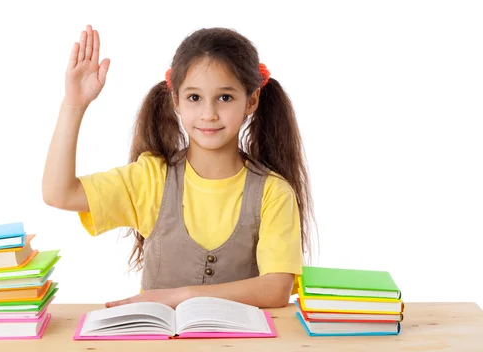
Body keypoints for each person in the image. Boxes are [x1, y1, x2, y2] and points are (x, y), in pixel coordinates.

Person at [42, 25, 317, 310]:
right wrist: (74, 105)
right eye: (194, 98)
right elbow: (58, 194)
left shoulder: (272, 192)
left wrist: (181, 297)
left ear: (251, 101)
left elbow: (275, 289)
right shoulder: (152, 178)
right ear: (176, 100)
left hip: (241, 351)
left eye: (225, 97)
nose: (208, 114)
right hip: (159, 350)